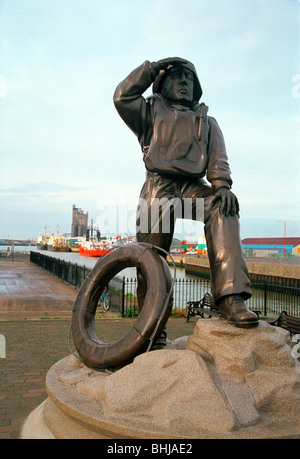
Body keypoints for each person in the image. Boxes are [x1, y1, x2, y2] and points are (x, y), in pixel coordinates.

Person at [114, 57, 258, 347]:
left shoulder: (207, 122)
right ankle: (151, 331)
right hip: (158, 186)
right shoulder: (149, 111)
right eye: (177, 77)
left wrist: (223, 186)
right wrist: (152, 67)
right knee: (150, 258)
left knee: (222, 206)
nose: (184, 82)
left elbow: (218, 161)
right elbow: (122, 96)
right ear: (163, 84)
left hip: (193, 188)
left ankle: (231, 299)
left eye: (189, 78)